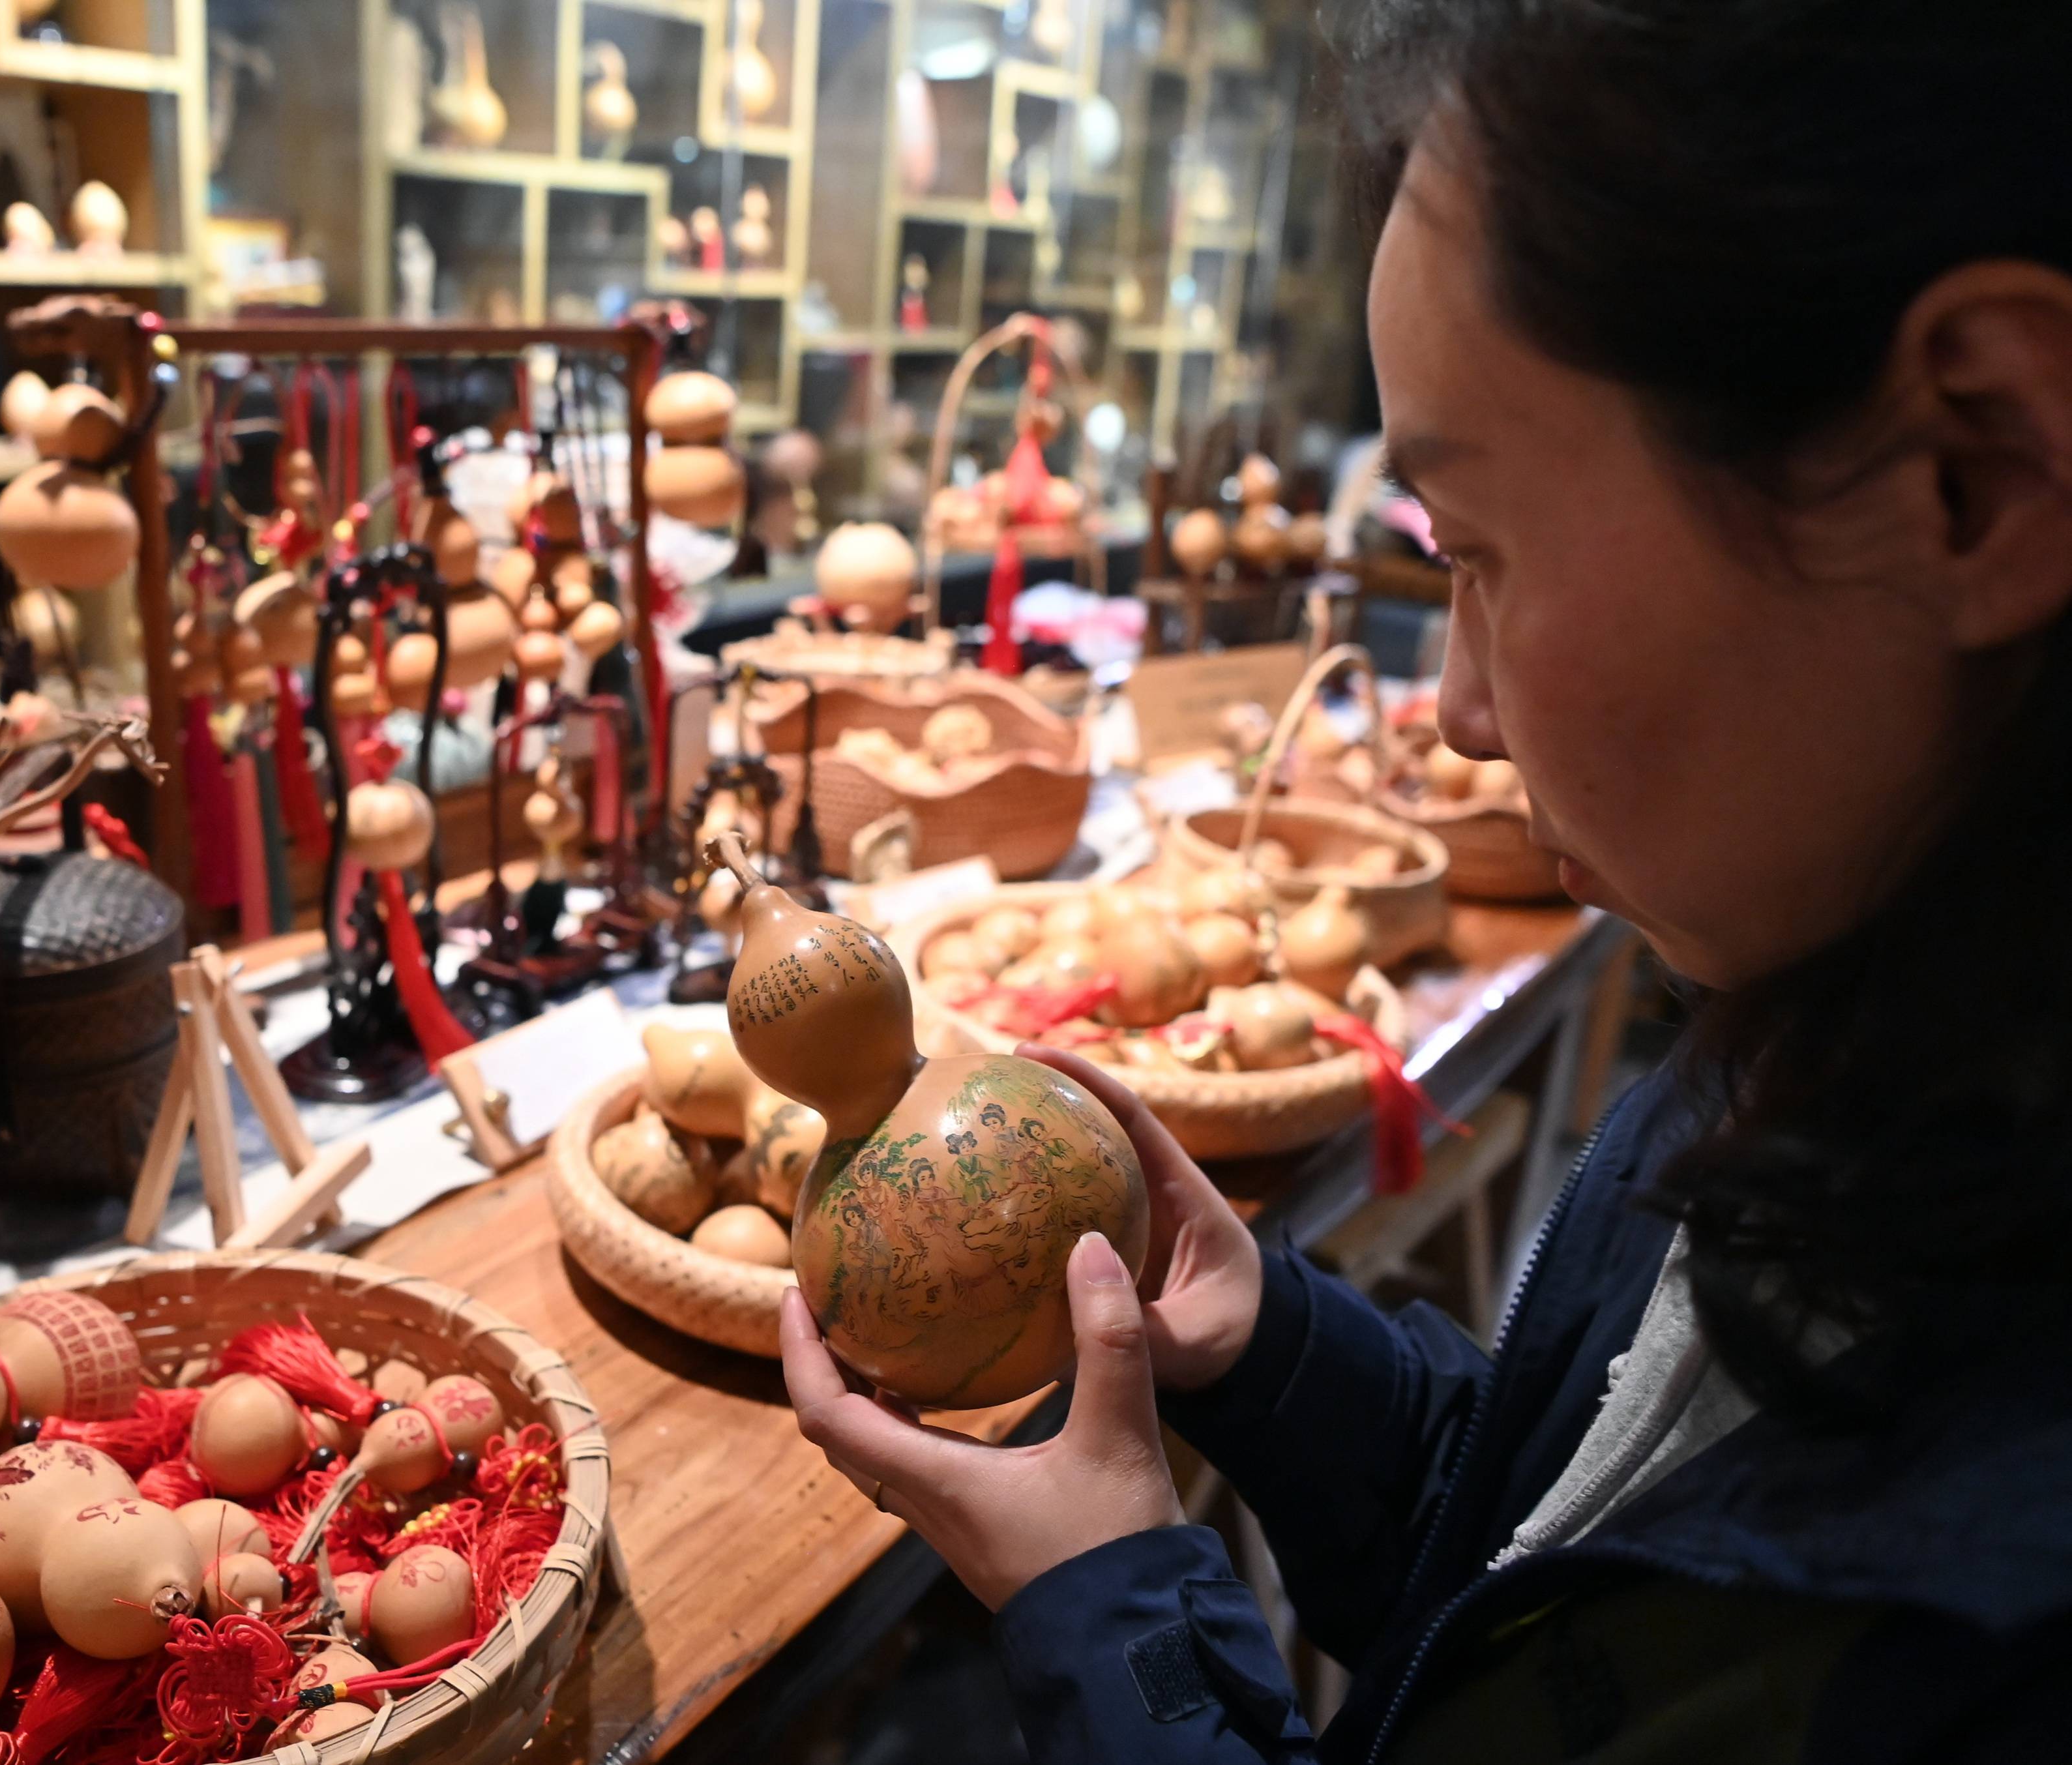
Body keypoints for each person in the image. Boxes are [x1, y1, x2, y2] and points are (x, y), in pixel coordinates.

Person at [783, 2, 2072, 1757]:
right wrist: (1277, 1360)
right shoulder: (1814, 1042)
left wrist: (1115, 1612)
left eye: (1475, 548)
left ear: (1972, 475)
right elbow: (1561, 1540)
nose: (1456, 712)